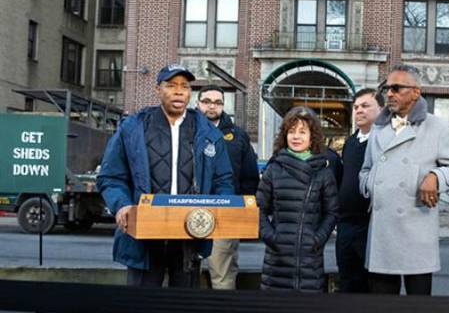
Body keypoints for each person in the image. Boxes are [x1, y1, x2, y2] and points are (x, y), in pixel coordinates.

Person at [96, 64, 234, 287]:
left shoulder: (209, 134)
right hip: (144, 238)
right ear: (158, 89)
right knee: (142, 304)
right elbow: (110, 177)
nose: (179, 91)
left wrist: (219, 212)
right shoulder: (133, 128)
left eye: (185, 86)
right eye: (171, 85)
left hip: (191, 236)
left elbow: (223, 181)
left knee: (183, 305)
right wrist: (121, 204)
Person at [359, 64, 449, 296]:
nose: (389, 93)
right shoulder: (378, 128)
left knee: (417, 306)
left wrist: (435, 177)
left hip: (416, 233)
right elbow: (365, 171)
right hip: (382, 235)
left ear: (416, 92)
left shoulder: (439, 127)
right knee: (381, 305)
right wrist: (373, 186)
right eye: (387, 88)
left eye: (397, 88)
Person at [256, 106, 338, 292]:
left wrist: (317, 240)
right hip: (277, 257)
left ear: (312, 136)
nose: (296, 136)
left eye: (302, 132)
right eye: (291, 131)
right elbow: (258, 209)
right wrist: (272, 238)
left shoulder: (323, 172)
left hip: (310, 258)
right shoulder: (273, 168)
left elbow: (332, 212)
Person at [196, 85, 259, 290]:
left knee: (222, 274)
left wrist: (238, 210)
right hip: (188, 211)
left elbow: (249, 177)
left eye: (217, 102)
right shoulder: (186, 130)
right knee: (184, 272)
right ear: (197, 103)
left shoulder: (238, 136)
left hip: (225, 214)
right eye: (206, 101)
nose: (212, 106)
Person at [335, 88, 384, 293]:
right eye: (355, 107)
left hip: (372, 226)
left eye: (365, 106)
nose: (359, 111)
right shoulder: (350, 143)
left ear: (380, 110)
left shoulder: (386, 142)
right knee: (347, 281)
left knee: (372, 284)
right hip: (346, 225)